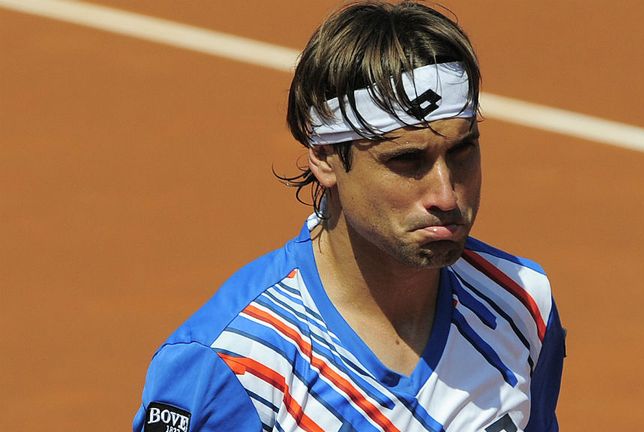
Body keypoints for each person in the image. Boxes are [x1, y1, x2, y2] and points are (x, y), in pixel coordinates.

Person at [133, 1, 565, 431]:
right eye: (407, 161)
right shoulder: (234, 364)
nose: (446, 195)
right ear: (324, 158)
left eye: (462, 151)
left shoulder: (521, 304)